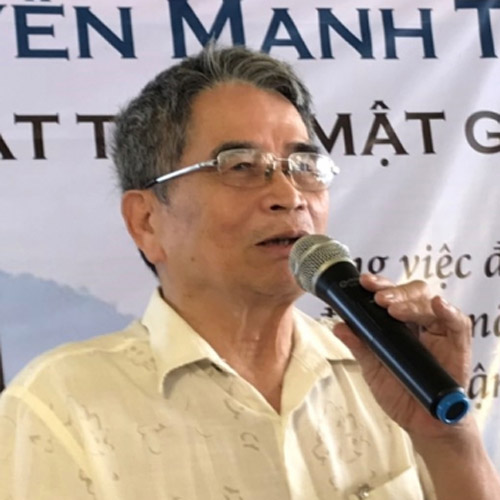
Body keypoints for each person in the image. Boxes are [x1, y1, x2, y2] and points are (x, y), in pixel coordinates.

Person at [0, 45, 499, 500]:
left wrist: (448, 439)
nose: (289, 195)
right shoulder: (58, 406)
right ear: (146, 220)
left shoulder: (386, 372)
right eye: (240, 165)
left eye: (304, 165)